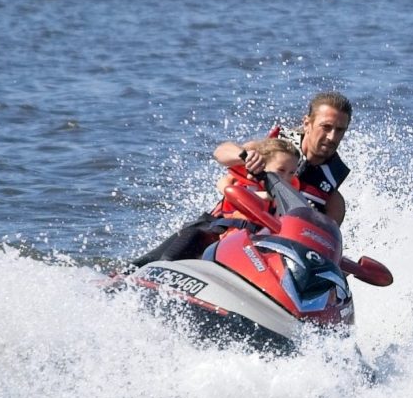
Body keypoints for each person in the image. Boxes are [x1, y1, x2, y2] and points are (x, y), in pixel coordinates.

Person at [127, 137, 300, 269]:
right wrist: (259, 193)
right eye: (281, 170)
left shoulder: (289, 193)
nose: (286, 177)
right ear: (264, 166)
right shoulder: (246, 176)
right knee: (166, 252)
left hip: (245, 244)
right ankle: (149, 272)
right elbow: (223, 181)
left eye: (292, 172)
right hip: (214, 229)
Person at [213, 91, 352, 225]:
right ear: (307, 124)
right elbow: (220, 152)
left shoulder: (334, 200)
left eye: (340, 130)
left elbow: (327, 242)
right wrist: (245, 156)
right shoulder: (274, 147)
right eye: (326, 127)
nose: (332, 137)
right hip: (230, 226)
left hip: (277, 241)